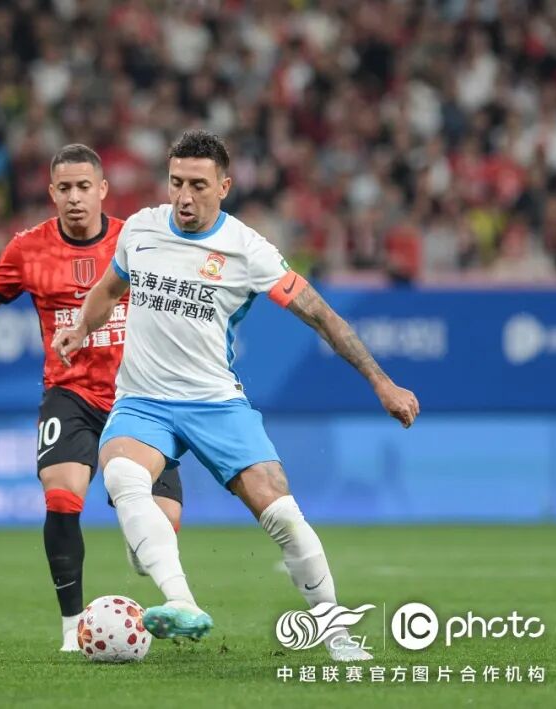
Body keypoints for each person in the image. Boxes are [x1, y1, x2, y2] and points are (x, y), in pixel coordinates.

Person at [52, 130, 420, 662]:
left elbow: (321, 316)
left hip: (215, 403)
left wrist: (381, 381)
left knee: (283, 514)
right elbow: (108, 291)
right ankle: (181, 602)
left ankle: (337, 636)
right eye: (176, 182)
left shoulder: (248, 251)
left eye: (198, 185)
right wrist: (81, 328)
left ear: (224, 187)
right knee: (122, 475)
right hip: (144, 400)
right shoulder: (140, 229)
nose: (183, 197)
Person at [0, 144, 184, 652]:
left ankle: (144, 543)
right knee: (62, 497)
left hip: (139, 399)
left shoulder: (136, 239)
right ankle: (72, 629)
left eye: (83, 187)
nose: (74, 198)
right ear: (51, 193)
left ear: (103, 190)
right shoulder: (28, 248)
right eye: (64, 188)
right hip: (70, 395)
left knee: (163, 527)